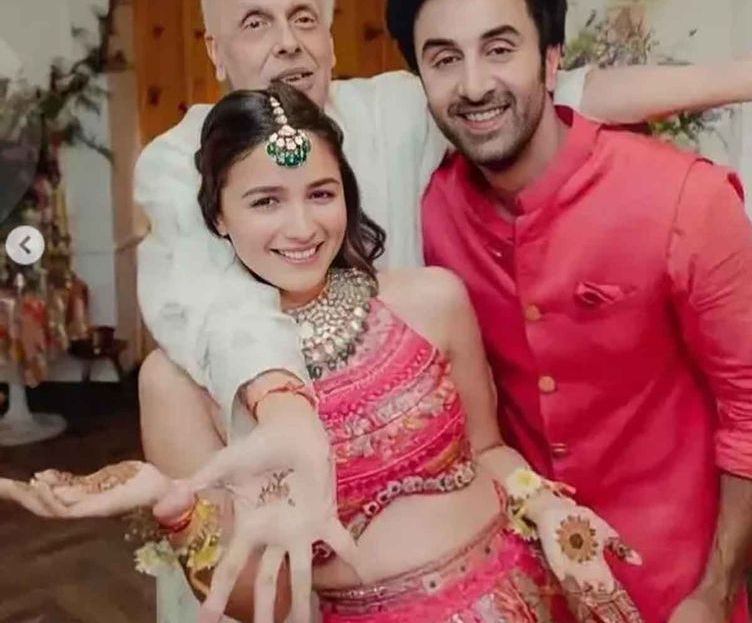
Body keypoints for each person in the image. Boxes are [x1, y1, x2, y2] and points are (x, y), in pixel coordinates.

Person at [9, 84, 645, 623]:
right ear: (219, 216)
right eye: (265, 201)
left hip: (520, 595)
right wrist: (175, 506)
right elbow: (258, 604)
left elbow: (489, 452)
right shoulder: (180, 381)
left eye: (320, 193)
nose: (302, 227)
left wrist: (550, 508)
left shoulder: (430, 299)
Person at [382, 0, 752, 623]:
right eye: (444, 59)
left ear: (551, 62)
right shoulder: (423, 215)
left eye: (500, 49)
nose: (473, 85)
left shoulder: (685, 200)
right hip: (513, 592)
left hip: (678, 593)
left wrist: (714, 591)